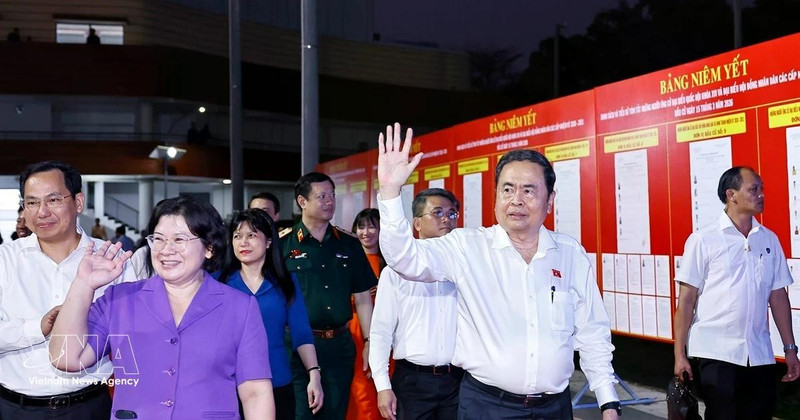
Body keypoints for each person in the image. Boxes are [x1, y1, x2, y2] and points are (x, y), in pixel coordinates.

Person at [376, 123, 621, 420]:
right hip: (486, 407)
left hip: (554, 408)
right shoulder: (467, 248)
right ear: (495, 197)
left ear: (550, 200)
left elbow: (592, 333)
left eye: (529, 190)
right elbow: (404, 259)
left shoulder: (570, 255)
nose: (516, 199)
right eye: (508, 189)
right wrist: (390, 193)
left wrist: (608, 402)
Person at [49, 197, 275, 419]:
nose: (166, 250)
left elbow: (255, 392)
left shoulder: (239, 307)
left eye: (179, 239)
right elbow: (66, 357)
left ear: (208, 247)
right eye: (158, 239)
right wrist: (83, 284)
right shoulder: (120, 300)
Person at [0, 161, 137, 419]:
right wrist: (36, 328)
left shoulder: (111, 259)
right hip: (16, 409)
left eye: (53, 200)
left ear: (78, 202)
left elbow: (128, 334)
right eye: (31, 202)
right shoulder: (4, 260)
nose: (42, 212)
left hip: (91, 406)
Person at [673, 166, 800, 420]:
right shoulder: (703, 240)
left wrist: (790, 349)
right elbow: (686, 301)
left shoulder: (769, 240)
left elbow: (778, 297)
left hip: (759, 354)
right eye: (754, 189)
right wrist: (679, 355)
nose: (761, 194)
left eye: (761, 188)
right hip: (716, 353)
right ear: (731, 194)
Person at [281, 172, 377, 420]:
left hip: (339, 345)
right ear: (302, 202)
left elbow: (364, 297)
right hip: (297, 345)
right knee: (301, 414)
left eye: (332, 195)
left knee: (336, 412)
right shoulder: (284, 244)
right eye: (321, 196)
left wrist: (369, 342)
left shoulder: (349, 244)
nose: (329, 201)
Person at [218, 209, 323, 420]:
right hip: (227, 385)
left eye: (251, 235)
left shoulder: (285, 283)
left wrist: (314, 373)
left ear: (268, 242)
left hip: (277, 381)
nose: (243, 242)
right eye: (237, 236)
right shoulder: (218, 283)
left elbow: (301, 332)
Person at [369, 188, 462, 420]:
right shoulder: (395, 272)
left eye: (452, 214)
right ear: (417, 223)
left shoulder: (464, 267)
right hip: (413, 381)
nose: (446, 219)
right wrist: (382, 386)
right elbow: (381, 331)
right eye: (437, 212)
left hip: (458, 381)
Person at [346, 208, 384, 420]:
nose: (366, 232)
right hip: (355, 333)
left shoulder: (390, 262)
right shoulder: (348, 259)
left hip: (383, 334)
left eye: (372, 226)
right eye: (361, 227)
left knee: (380, 388)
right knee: (359, 390)